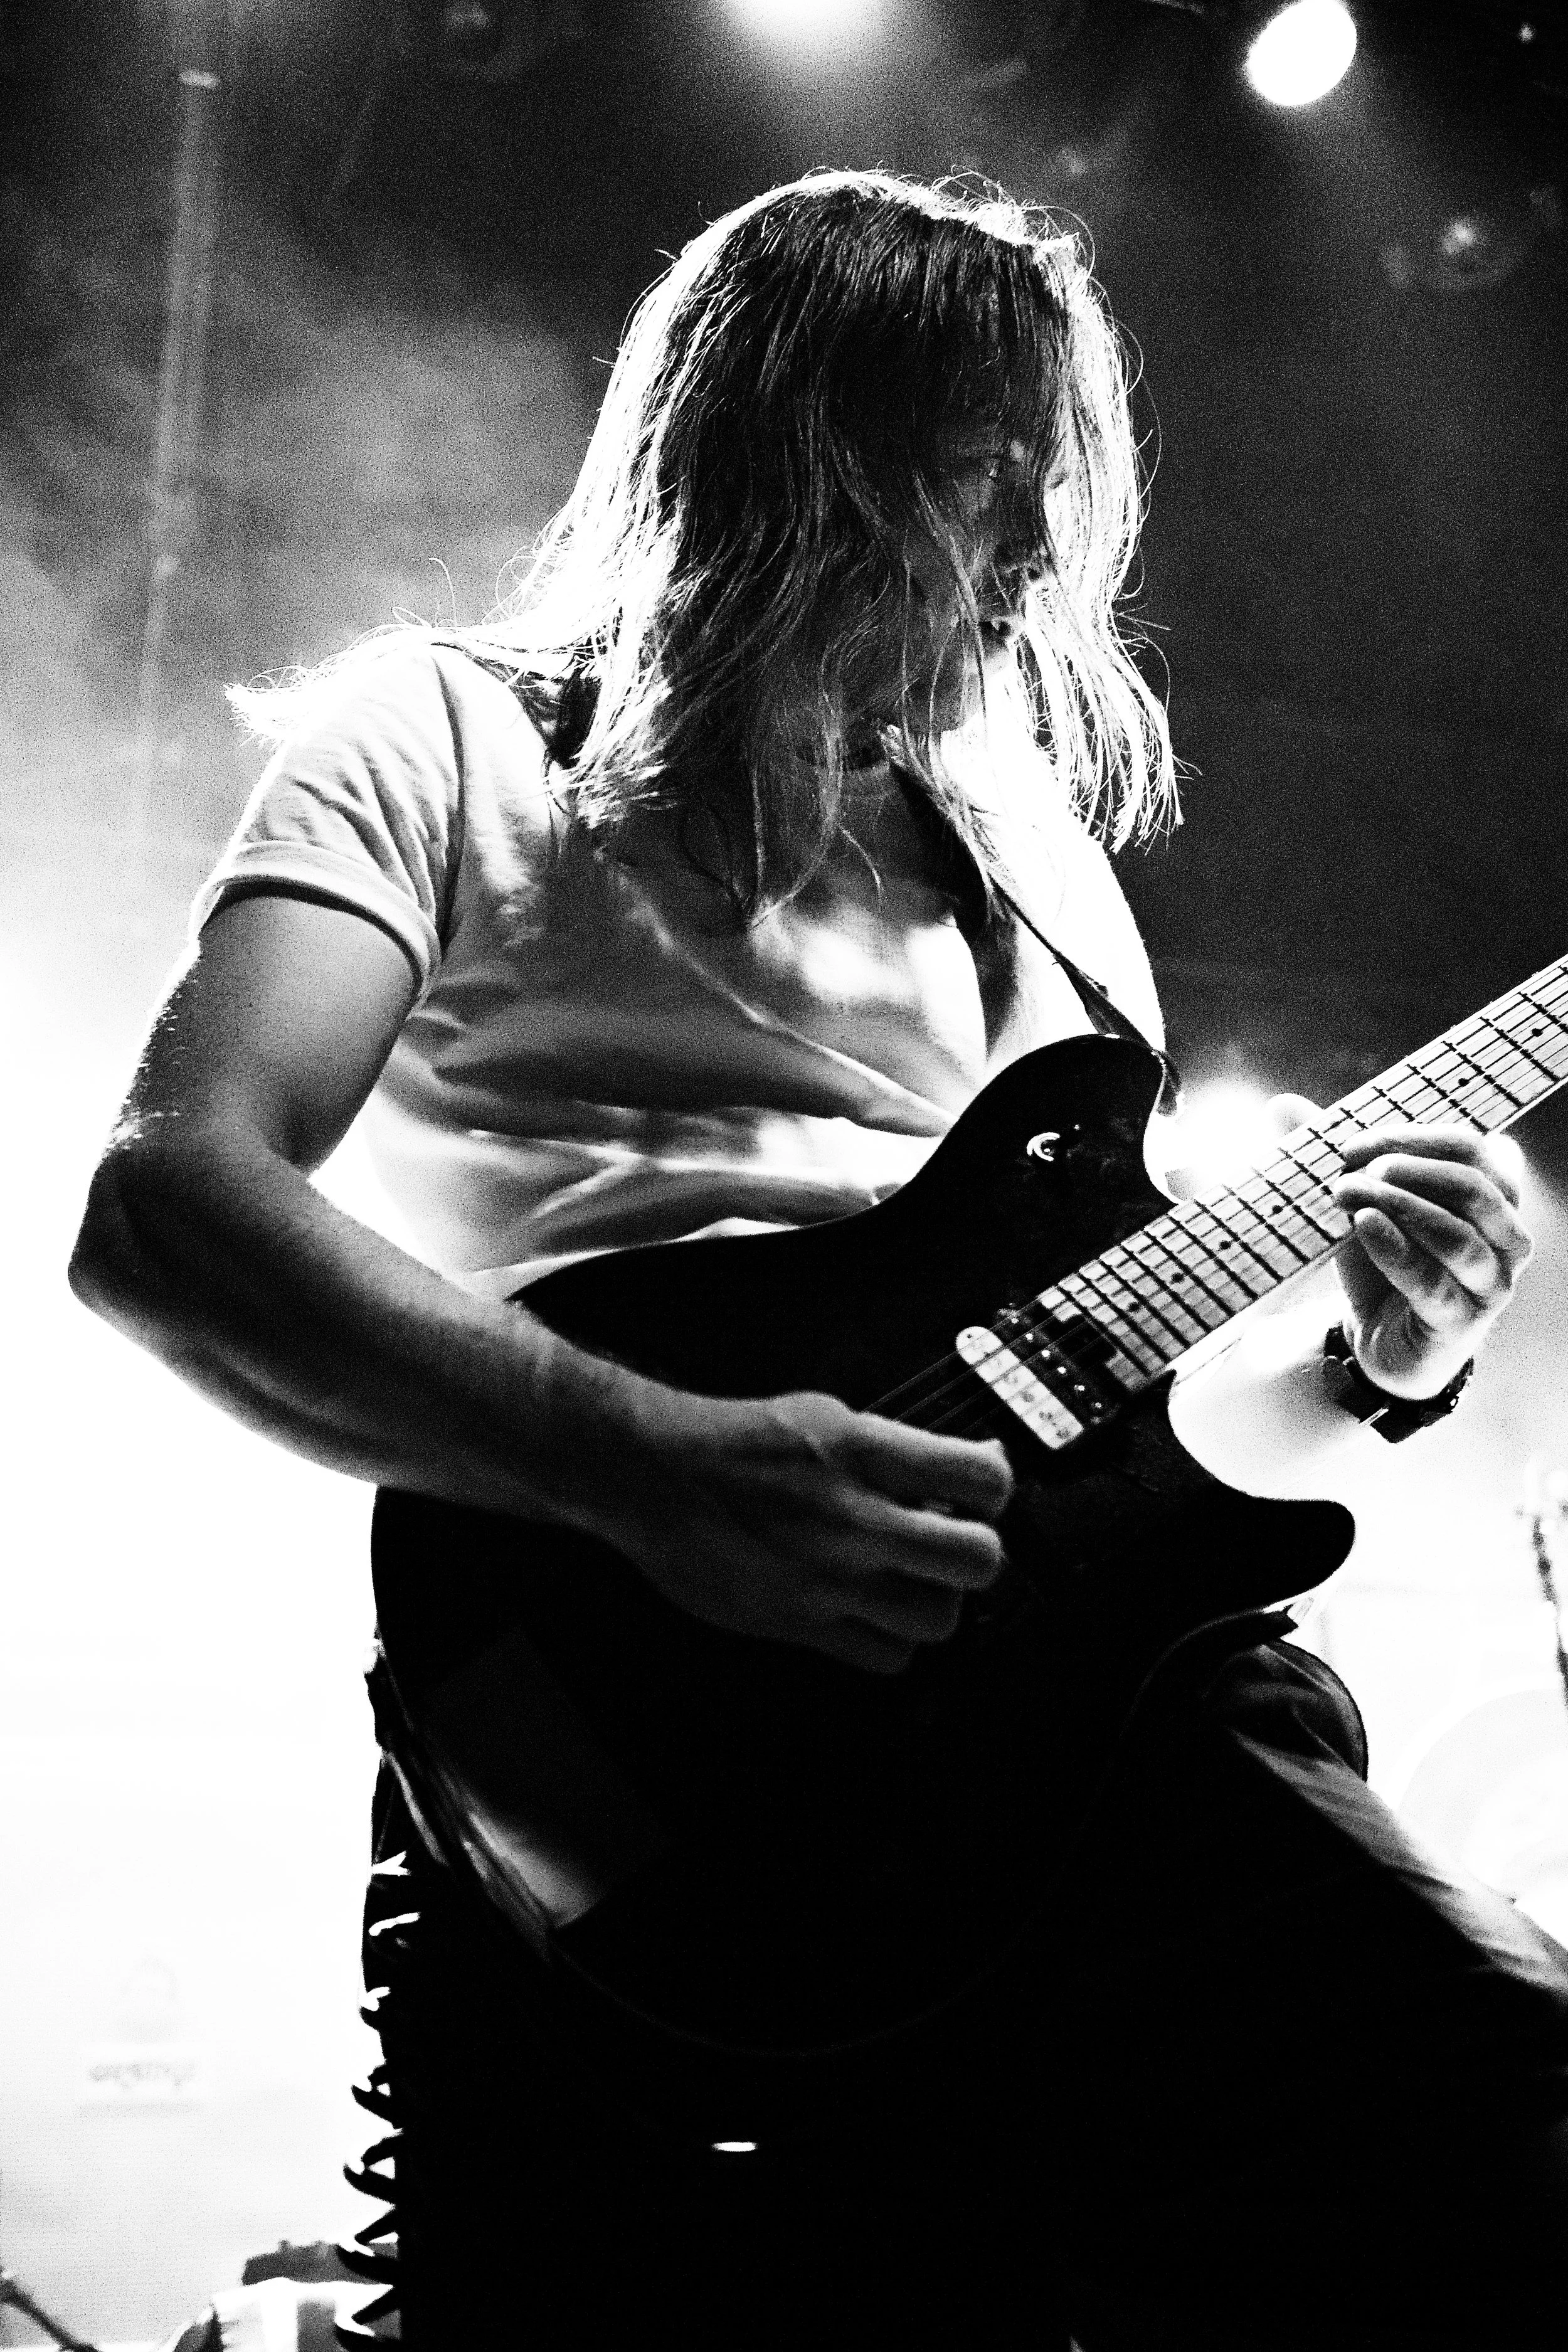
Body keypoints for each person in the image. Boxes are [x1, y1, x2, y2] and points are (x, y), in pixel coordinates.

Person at [70, 171, 1565, 2348]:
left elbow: (1105, 1384)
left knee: (1492, 2130)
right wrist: (646, 1459)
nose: (1035, 560)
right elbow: (167, 1208)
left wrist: (1371, 1356)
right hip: (617, 1715)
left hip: (1073, 1732)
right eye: (984, 480)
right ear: (798, 449)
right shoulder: (440, 736)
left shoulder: (1030, 851)